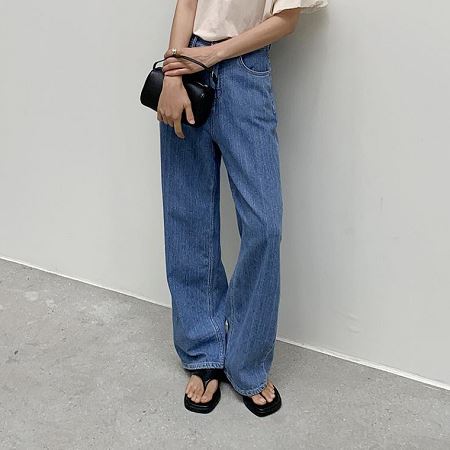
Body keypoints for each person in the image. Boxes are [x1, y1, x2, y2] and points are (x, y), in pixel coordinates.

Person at [157, 0, 327, 417]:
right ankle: (203, 352)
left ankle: (247, 361)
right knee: (188, 218)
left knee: (264, 225)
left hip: (244, 72)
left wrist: (213, 55)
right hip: (186, 65)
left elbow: (285, 21)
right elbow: (187, 4)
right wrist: (172, 75)